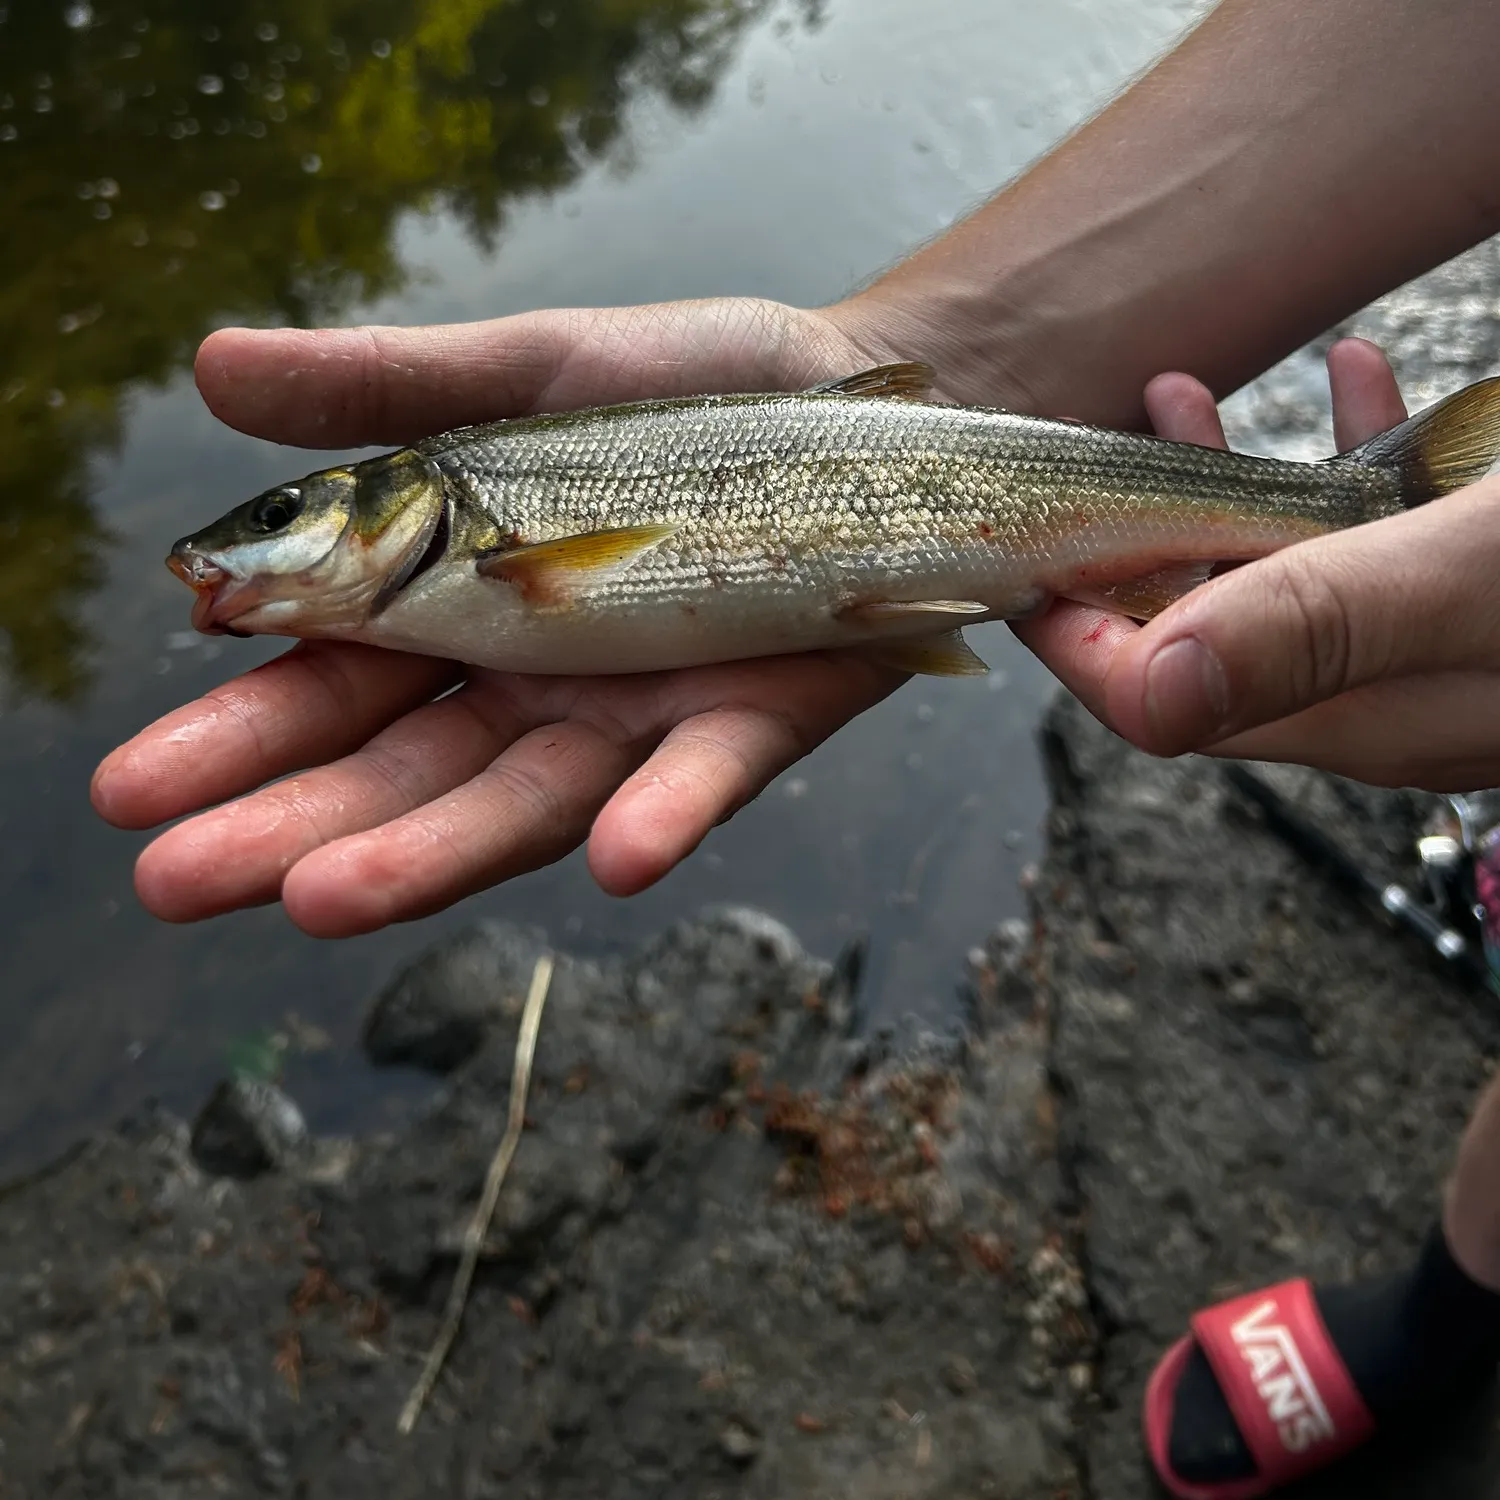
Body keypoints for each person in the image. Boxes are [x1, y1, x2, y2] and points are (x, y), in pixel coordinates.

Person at [90, 0, 1500, 1493]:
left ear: (390, 501)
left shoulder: (476, 540)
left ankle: (1356, 503)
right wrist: (946, 346)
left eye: (273, 525)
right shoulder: (444, 572)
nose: (239, 554)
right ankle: (1466, 1300)